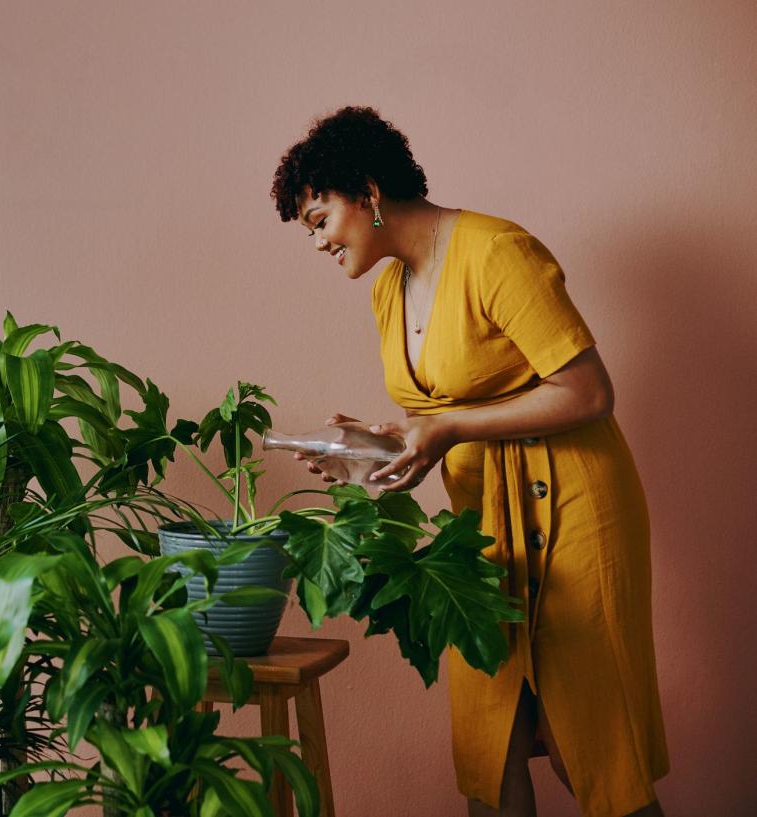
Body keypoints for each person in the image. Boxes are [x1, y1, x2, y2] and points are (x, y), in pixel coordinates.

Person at [270, 106, 669, 817]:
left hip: (576, 513)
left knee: (597, 754)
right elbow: (446, 420)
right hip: (483, 532)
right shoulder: (388, 291)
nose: (319, 240)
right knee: (493, 746)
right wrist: (382, 446)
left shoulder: (495, 251)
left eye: (320, 216)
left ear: (368, 192)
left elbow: (589, 391)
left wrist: (446, 427)